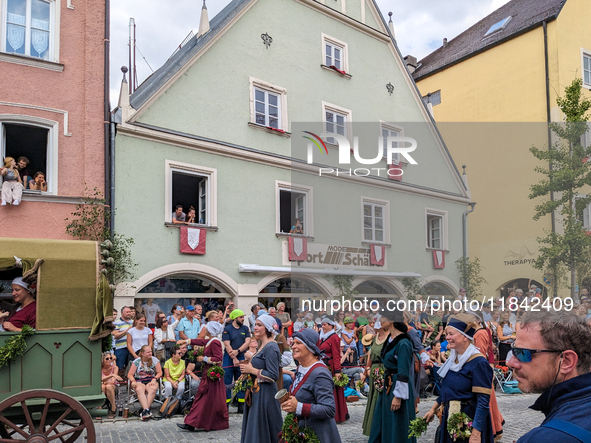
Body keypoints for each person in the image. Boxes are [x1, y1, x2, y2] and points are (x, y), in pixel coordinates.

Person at [507, 311, 591, 443]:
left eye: (523, 353)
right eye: (513, 349)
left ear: (566, 362)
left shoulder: (546, 438)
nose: (511, 362)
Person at [424, 313, 494, 443]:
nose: (447, 337)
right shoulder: (452, 360)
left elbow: (483, 401)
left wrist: (476, 433)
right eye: (446, 334)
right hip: (451, 417)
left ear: (464, 337)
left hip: (469, 421)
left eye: (451, 334)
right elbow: (448, 390)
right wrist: (433, 409)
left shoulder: (478, 362)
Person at [280, 328, 342, 442]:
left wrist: (298, 407)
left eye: (298, 343)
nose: (293, 346)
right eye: (293, 343)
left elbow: (329, 409)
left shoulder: (320, 373)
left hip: (318, 434)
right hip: (303, 432)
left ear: (310, 347)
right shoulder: (300, 368)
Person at [368, 310, 415, 443]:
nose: (380, 319)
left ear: (392, 320)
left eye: (383, 317)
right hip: (388, 384)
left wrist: (398, 396)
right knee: (384, 419)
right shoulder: (390, 339)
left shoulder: (403, 343)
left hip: (398, 386)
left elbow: (403, 371)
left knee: (398, 421)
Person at [176, 320, 228, 431]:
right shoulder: (211, 341)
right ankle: (193, 422)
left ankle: (193, 422)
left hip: (212, 376)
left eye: (206, 328)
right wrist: (186, 341)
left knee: (205, 399)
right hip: (207, 375)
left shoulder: (215, 342)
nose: (204, 329)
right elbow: (200, 342)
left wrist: (203, 358)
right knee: (204, 399)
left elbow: (218, 359)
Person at [239, 314, 282, 443]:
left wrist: (252, 370)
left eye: (259, 325)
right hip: (257, 392)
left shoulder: (271, 347)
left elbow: (273, 375)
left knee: (262, 429)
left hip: (265, 394)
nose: (255, 328)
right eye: (255, 325)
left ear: (268, 328)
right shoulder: (262, 345)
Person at [317, 315, 348, 423]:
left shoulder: (334, 337)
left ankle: (336, 415)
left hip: (331, 367)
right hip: (323, 365)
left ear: (331, 326)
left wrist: (338, 371)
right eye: (322, 325)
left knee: (332, 391)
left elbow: (336, 355)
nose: (323, 327)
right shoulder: (323, 336)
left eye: (324, 325)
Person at [223, 309, 251, 413]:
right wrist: (233, 357)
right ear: (235, 318)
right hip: (229, 358)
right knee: (227, 381)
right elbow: (227, 344)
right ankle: (225, 405)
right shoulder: (227, 329)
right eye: (241, 317)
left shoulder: (245, 328)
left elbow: (247, 342)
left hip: (241, 357)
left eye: (243, 317)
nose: (243, 319)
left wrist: (238, 351)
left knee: (242, 380)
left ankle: (241, 405)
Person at [128, 345, 162, 420]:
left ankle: (144, 410)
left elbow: (159, 372)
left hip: (151, 379)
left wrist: (154, 379)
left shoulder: (155, 360)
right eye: (148, 352)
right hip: (139, 380)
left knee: (153, 389)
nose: (150, 353)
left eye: (151, 351)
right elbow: (130, 374)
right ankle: (146, 410)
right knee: (139, 389)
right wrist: (133, 381)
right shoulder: (137, 362)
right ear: (142, 353)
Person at [101, 351, 122, 419]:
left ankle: (113, 407)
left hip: (113, 386)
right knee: (102, 387)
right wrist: (112, 375)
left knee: (108, 386)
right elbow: (100, 379)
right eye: (107, 359)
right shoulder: (99, 368)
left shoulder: (115, 368)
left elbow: (112, 381)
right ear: (102, 360)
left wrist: (104, 381)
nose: (109, 360)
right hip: (103, 386)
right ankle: (99, 407)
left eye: (110, 358)